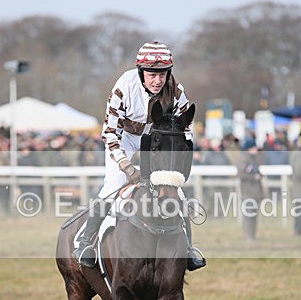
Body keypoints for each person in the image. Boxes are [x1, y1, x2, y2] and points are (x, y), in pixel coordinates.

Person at [73, 41, 205, 271]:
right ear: (141, 72)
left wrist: (175, 162)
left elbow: (186, 130)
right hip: (123, 139)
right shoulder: (124, 86)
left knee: (177, 193)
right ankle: (85, 242)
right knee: (113, 185)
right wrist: (126, 166)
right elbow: (109, 132)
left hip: (152, 143)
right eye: (152, 75)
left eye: (162, 75)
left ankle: (189, 249)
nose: (157, 81)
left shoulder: (176, 90)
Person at [237, 143, 264, 242]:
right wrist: (253, 177)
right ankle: (248, 236)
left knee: (254, 216)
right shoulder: (243, 159)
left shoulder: (255, 158)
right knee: (248, 215)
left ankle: (253, 236)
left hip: (255, 191)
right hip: (247, 191)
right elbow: (241, 174)